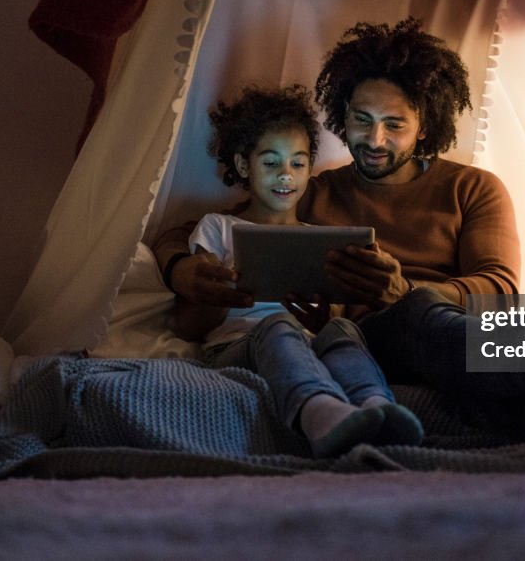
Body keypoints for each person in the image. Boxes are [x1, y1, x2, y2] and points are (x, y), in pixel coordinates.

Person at [157, 19, 525, 441]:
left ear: (425, 125)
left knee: (428, 321)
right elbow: (195, 232)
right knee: (413, 317)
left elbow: (500, 292)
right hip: (362, 346)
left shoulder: (472, 188)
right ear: (342, 117)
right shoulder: (311, 189)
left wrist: (406, 290)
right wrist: (183, 270)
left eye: (394, 125)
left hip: (449, 335)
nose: (374, 140)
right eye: (361, 120)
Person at [179, 84, 424, 458]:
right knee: (277, 324)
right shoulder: (218, 227)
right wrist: (223, 291)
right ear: (244, 165)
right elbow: (191, 321)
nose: (285, 175)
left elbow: (332, 317)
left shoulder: (318, 239)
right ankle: (319, 413)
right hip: (236, 346)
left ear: (310, 167)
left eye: (297, 163)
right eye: (271, 162)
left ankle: (375, 405)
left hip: (306, 343)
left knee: (344, 329)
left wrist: (327, 316)